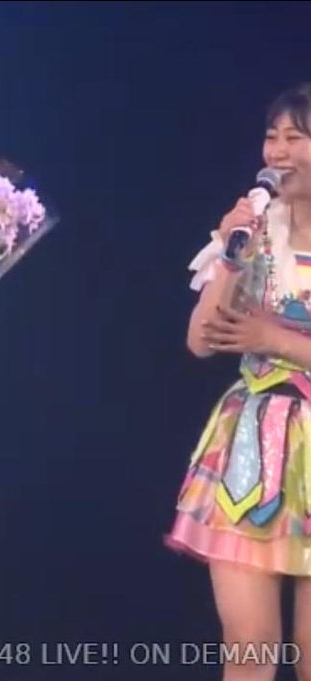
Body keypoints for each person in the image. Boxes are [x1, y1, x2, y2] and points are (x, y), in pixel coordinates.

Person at [169, 83, 311, 681]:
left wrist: (276, 340)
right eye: (272, 137)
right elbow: (200, 341)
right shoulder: (251, 234)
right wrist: (230, 257)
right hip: (252, 450)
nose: (278, 151)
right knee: (249, 643)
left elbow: (266, 337)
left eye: (295, 137)